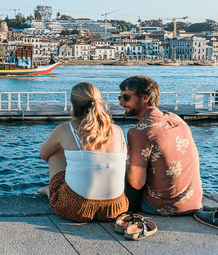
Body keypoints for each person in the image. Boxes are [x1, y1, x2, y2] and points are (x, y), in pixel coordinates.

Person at [39, 82, 129, 222]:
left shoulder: (65, 130)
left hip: (77, 209)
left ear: (73, 104)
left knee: (56, 151)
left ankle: (51, 190)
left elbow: (43, 155)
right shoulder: (118, 130)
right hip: (115, 208)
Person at [119, 75, 203, 216]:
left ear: (145, 98)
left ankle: (126, 211)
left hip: (163, 207)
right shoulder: (176, 119)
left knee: (129, 167)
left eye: (126, 97)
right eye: (120, 97)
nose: (121, 103)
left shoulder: (138, 131)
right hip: (194, 203)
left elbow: (136, 183)